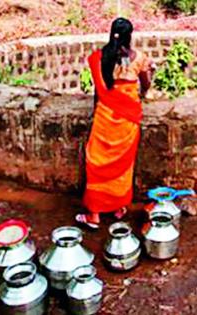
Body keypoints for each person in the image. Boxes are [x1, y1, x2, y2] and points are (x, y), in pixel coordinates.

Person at [76, 17, 154, 229]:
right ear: (130, 36)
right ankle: (119, 207)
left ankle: (94, 214)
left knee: (97, 162)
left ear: (112, 33)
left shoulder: (100, 58)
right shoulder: (139, 58)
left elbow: (99, 91)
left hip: (104, 117)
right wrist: (144, 89)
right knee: (123, 165)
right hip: (128, 118)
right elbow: (145, 85)